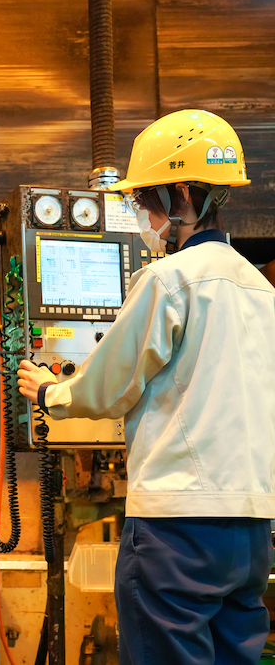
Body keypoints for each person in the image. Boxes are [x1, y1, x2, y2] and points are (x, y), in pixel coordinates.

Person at [16, 109, 275, 665]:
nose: (141, 215)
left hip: (176, 529)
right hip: (252, 530)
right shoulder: (260, 288)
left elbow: (108, 385)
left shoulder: (168, 279)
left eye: (144, 202)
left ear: (180, 193)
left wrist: (47, 393)